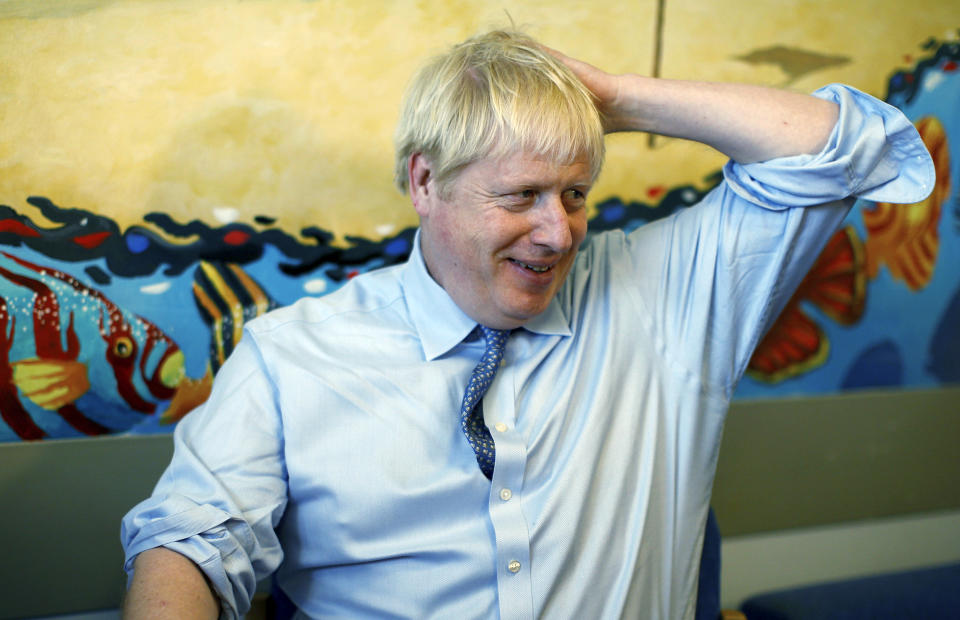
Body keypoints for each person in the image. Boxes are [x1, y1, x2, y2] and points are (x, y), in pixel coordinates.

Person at [120, 29, 933, 619]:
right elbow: (191, 542)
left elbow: (857, 150)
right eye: (521, 196)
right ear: (426, 181)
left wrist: (616, 98)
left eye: (575, 194)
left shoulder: (662, 301)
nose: (559, 232)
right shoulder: (290, 360)